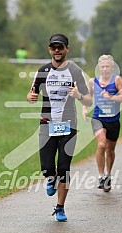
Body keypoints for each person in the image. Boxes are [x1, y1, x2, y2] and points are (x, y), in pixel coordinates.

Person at [27, 33, 92, 221]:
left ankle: (60, 207)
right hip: (47, 125)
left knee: (64, 168)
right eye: (54, 47)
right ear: (49, 50)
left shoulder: (75, 71)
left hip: (69, 126)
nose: (57, 50)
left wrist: (79, 95)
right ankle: (51, 178)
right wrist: (31, 98)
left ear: (67, 49)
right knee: (47, 168)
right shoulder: (42, 71)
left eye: (60, 47)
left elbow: (88, 98)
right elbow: (31, 94)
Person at [82, 55, 122, 192]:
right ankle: (101, 176)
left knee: (110, 149)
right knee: (101, 145)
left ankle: (108, 175)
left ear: (112, 68)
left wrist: (112, 97)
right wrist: (84, 108)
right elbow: (88, 97)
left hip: (113, 120)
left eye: (107, 66)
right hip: (98, 118)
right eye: (102, 66)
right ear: (99, 67)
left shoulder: (117, 80)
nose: (105, 69)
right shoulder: (93, 81)